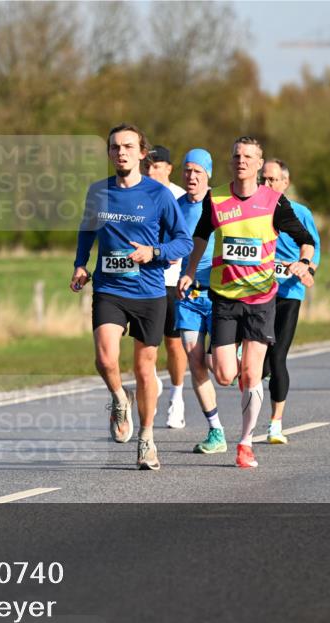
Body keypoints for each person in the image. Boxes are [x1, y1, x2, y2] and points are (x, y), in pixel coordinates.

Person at [178, 136, 315, 469]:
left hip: (261, 298)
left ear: (258, 162)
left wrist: (304, 262)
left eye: (248, 156)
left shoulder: (273, 201)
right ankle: (239, 358)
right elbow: (200, 236)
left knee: (252, 374)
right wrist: (191, 270)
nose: (241, 160)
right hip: (224, 297)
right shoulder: (216, 198)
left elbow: (305, 239)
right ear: (231, 161)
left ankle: (244, 442)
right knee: (224, 374)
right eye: (236, 155)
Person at [71, 124, 193, 471]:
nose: (120, 152)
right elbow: (87, 229)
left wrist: (153, 252)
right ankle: (119, 398)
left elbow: (183, 242)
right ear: (109, 154)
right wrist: (81, 264)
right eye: (114, 148)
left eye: (127, 147)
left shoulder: (160, 195)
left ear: (142, 153)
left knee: (144, 370)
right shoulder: (98, 192)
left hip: (150, 292)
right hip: (110, 288)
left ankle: (147, 439)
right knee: (106, 359)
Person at [171, 149, 229, 454]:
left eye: (197, 172)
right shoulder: (176, 207)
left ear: (208, 175)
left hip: (221, 296)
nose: (191, 177)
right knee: (195, 363)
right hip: (189, 297)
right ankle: (216, 431)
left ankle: (245, 357)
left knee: (222, 370)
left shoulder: (220, 205)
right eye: (187, 171)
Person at [260, 159, 321, 445]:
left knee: (277, 355)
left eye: (272, 180)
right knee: (258, 361)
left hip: (289, 293)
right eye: (264, 179)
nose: (267, 184)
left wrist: (305, 267)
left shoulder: (300, 213)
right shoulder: (254, 211)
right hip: (257, 292)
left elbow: (313, 250)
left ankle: (275, 424)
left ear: (285, 182)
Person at [146, 145, 188, 428]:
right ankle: (153, 382)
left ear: (169, 168)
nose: (151, 171)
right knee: (146, 343)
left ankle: (177, 396)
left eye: (157, 166)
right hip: (145, 281)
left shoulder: (180, 197)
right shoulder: (137, 194)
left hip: (173, 281)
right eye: (147, 166)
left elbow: (187, 238)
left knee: (174, 344)